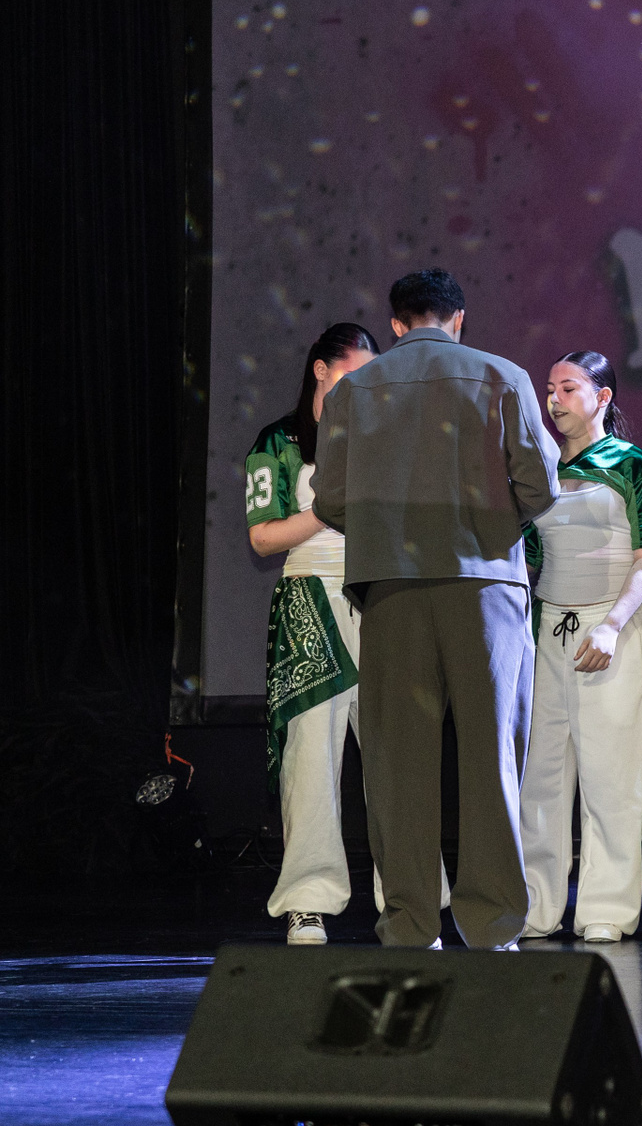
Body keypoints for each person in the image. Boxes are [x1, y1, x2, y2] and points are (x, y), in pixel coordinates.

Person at [311, 268, 559, 949]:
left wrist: (387, 528)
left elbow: (330, 499)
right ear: (459, 318)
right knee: (491, 757)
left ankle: (411, 925)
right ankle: (494, 926)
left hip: (392, 588)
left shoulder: (354, 389)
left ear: (396, 323)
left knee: (398, 766)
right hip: (485, 587)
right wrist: (486, 522)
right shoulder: (502, 376)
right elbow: (541, 485)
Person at [520, 351, 642, 944]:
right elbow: (525, 557)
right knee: (540, 778)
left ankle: (606, 909)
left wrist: (613, 624)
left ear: (603, 397)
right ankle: (536, 906)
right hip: (548, 631)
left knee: (612, 778)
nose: (554, 399)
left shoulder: (631, 464)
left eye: (569, 387)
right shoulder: (537, 467)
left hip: (613, 629)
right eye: (549, 388)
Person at [245, 323, 377, 945]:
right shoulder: (279, 441)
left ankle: (409, 900)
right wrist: (326, 511)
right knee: (311, 758)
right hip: (310, 599)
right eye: (351, 374)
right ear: (321, 370)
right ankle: (307, 900)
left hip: (382, 599)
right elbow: (262, 538)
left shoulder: (382, 435)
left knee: (396, 757)